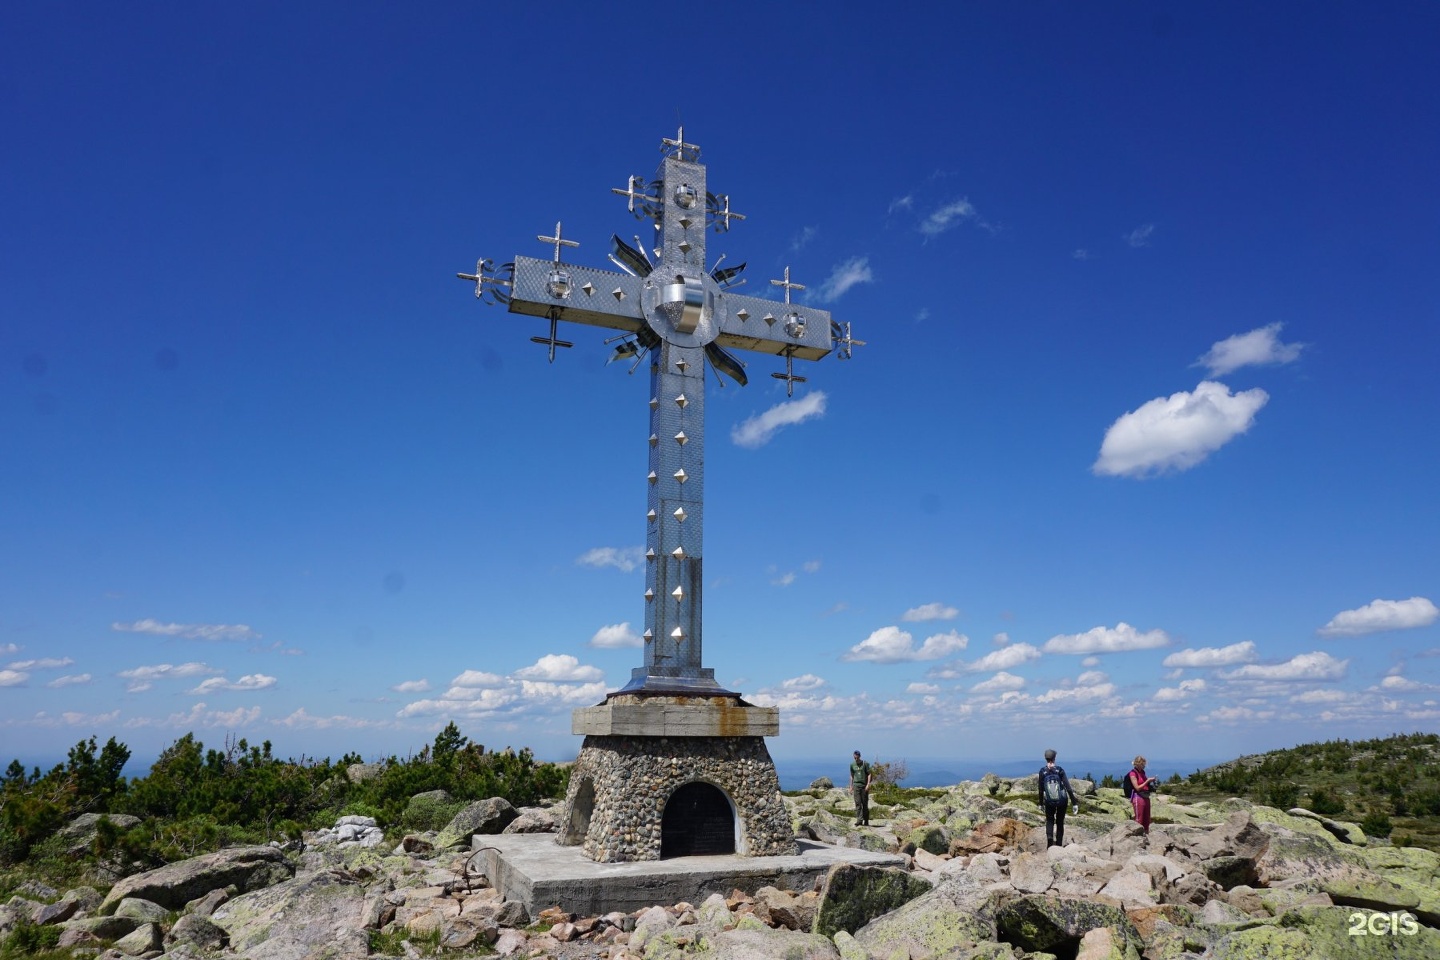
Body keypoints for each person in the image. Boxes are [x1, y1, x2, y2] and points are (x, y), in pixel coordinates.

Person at [1037, 748, 1079, 847]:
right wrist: (1074, 802)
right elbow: (1068, 787)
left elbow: (1040, 789)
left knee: (1050, 820)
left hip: (1049, 801)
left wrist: (1040, 803)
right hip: (1062, 800)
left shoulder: (1042, 771)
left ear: (1045, 758)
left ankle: (1050, 840)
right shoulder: (1059, 770)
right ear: (1054, 758)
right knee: (1060, 821)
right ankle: (1059, 843)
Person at [1128, 755, 1158, 836]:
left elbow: (1144, 785)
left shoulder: (1142, 772)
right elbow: (1137, 788)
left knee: (1147, 819)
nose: (1144, 766)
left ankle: (1146, 835)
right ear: (1138, 764)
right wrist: (1147, 781)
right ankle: (1137, 836)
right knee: (1139, 819)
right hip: (1138, 797)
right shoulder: (1133, 773)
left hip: (1145, 796)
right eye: (1143, 764)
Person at [849, 750, 873, 826]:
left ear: (859, 756)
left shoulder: (865, 764)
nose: (856, 759)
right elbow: (852, 775)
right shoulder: (852, 764)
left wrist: (868, 784)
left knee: (864, 804)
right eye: (854, 757)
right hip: (856, 786)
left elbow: (869, 774)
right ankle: (859, 820)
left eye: (857, 757)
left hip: (864, 786)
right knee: (858, 803)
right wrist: (851, 786)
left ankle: (866, 820)